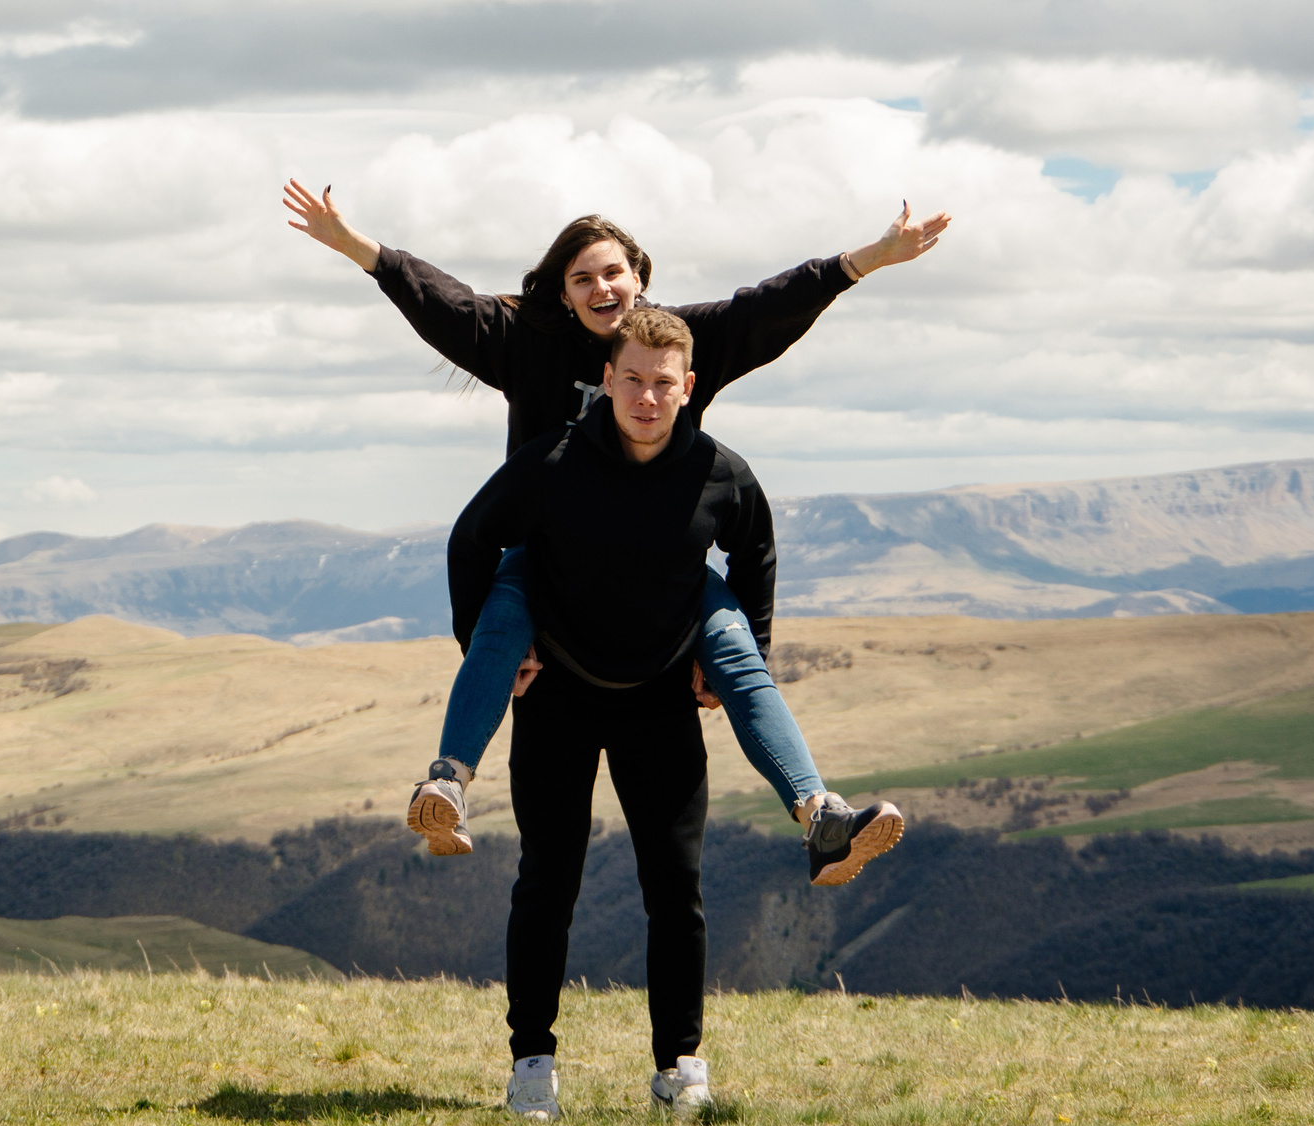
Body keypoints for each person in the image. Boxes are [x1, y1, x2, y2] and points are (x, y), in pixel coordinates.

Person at [282, 181, 944, 883]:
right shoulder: (527, 344)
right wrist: (356, 247)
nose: (601, 287)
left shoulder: (675, 343)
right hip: (550, 560)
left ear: (639, 277)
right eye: (582, 278)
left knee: (739, 653)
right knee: (499, 623)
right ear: (564, 294)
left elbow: (765, 308)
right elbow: (447, 304)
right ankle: (446, 785)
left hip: (663, 562)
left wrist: (868, 258)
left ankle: (821, 816)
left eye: (612, 272)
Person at [449, 306, 890, 1119]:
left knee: (675, 889)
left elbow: (756, 549)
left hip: (659, 703)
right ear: (606, 380)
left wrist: (737, 654)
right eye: (632, 380)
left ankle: (679, 1067)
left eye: (662, 383)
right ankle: (532, 1064)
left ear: (688, 386)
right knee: (547, 883)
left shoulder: (719, 471)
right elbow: (473, 537)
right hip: (560, 697)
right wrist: (492, 643)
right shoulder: (553, 461)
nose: (646, 397)